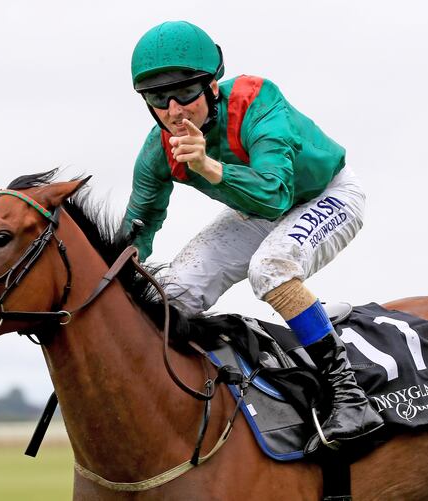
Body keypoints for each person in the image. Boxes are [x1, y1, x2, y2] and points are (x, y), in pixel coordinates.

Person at [121, 20, 383, 450]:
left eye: (185, 92)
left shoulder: (257, 100)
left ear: (212, 87)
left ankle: (349, 396)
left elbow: (276, 193)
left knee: (270, 268)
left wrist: (208, 167)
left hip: (327, 193)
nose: (173, 110)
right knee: (170, 294)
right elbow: (140, 223)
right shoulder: (157, 150)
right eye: (156, 98)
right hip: (254, 209)